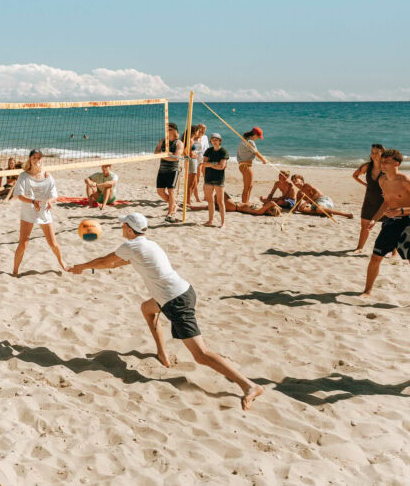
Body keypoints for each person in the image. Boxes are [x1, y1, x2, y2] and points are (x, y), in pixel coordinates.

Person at [69, 213, 264, 410]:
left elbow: (105, 260)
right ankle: (162, 353)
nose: (121, 228)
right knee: (147, 309)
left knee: (201, 355)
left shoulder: (132, 246)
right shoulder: (147, 244)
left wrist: (82, 267)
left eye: (123, 225)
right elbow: (116, 263)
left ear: (129, 229)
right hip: (182, 291)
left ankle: (249, 385)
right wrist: (88, 268)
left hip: (175, 301)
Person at [360, 149, 410, 306]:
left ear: (396, 164)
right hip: (390, 223)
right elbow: (386, 202)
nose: (383, 164)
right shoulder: (382, 181)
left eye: (386, 161)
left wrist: (400, 211)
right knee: (375, 258)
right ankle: (367, 291)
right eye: (382, 161)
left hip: (408, 222)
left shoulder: (405, 181)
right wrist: (374, 219)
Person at [12, 149, 65, 276]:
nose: (37, 160)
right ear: (30, 159)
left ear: (42, 160)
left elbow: (54, 195)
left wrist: (50, 202)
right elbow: (19, 195)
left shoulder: (47, 176)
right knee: (23, 244)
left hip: (44, 211)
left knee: (53, 243)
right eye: (34, 157)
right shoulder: (24, 176)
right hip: (28, 212)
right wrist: (32, 201)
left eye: (39, 158)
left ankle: (62, 262)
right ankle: (15, 271)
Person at [352, 144, 385, 253]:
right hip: (369, 199)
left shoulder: (386, 167)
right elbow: (355, 175)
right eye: (372, 152)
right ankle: (360, 248)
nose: (373, 155)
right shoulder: (367, 166)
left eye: (376, 152)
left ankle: (394, 252)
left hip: (384, 201)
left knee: (389, 227)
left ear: (382, 153)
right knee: (364, 225)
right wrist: (365, 184)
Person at [154, 123, 184, 221]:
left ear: (175, 131)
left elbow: (176, 158)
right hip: (162, 169)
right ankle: (174, 205)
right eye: (167, 129)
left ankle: (170, 213)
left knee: (171, 191)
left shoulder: (179, 143)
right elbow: (155, 153)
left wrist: (164, 155)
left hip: (173, 170)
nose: (167, 131)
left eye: (170, 129)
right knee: (160, 191)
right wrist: (167, 154)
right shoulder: (162, 141)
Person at [200, 133, 229, 227]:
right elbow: (204, 164)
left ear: (220, 141)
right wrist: (214, 163)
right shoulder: (208, 150)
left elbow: (222, 167)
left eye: (216, 140)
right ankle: (210, 220)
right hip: (208, 178)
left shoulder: (223, 151)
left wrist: (210, 164)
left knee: (220, 201)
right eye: (212, 140)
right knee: (210, 200)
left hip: (219, 179)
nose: (214, 141)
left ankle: (223, 222)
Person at [237, 127, 268, 204]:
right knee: (248, 186)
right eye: (258, 137)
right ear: (254, 135)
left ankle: (246, 202)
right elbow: (256, 152)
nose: (258, 138)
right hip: (246, 165)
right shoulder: (250, 142)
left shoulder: (245, 140)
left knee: (249, 186)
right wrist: (263, 159)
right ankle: (245, 203)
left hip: (244, 165)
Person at [185, 125, 205, 205]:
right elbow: (186, 151)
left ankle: (188, 200)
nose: (198, 132)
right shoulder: (191, 140)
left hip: (193, 160)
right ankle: (188, 201)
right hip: (192, 161)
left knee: (193, 182)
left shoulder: (190, 139)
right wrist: (193, 154)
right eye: (197, 131)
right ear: (194, 132)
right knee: (191, 183)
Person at [192, 124, 210, 202]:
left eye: (204, 129)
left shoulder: (205, 137)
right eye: (201, 129)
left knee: (207, 178)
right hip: (197, 160)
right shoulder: (193, 139)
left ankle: (206, 196)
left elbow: (207, 148)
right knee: (197, 179)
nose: (203, 131)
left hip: (205, 159)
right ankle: (196, 196)